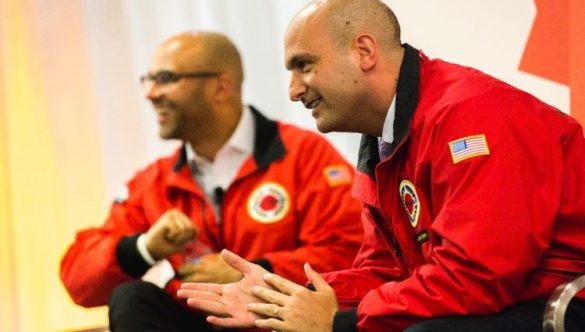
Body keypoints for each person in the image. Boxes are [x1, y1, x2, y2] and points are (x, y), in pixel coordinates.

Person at [177, 1, 585, 331]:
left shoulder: (474, 118)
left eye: (304, 65)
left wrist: (340, 321)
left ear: (364, 51)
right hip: (502, 299)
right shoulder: (383, 135)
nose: (294, 90)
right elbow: (384, 269)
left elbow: (477, 278)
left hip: (558, 302)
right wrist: (285, 297)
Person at [59, 31, 364, 332]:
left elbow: (351, 254)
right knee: (132, 298)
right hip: (198, 319)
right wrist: (143, 248)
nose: (150, 93)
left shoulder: (305, 156)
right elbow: (78, 279)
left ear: (221, 87)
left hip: (276, 323)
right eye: (147, 80)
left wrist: (257, 274)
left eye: (165, 79)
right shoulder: (154, 182)